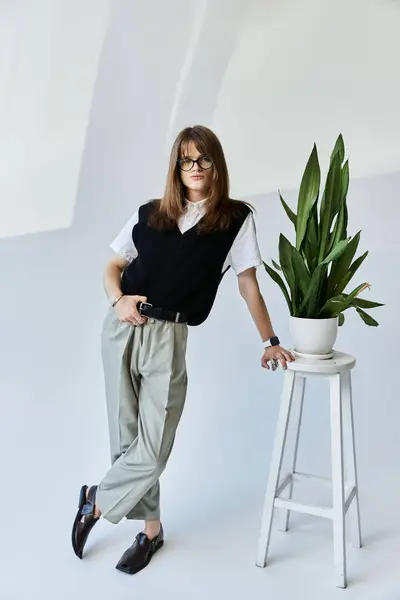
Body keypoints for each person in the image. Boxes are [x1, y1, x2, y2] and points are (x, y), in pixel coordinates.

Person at [71, 125, 295, 575]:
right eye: (186, 160)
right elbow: (113, 265)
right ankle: (150, 531)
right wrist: (118, 300)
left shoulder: (234, 219)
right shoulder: (151, 213)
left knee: (152, 448)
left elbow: (248, 284)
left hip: (169, 334)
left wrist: (269, 341)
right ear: (177, 165)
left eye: (203, 160)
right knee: (127, 437)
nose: (194, 168)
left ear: (216, 166)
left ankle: (96, 500)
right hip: (121, 328)